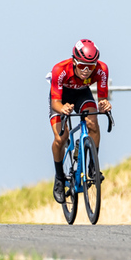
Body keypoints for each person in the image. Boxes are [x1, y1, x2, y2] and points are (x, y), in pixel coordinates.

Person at [48, 39, 112, 204]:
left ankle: (92, 166)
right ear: (74, 61)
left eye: (90, 66)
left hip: (82, 94)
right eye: (82, 65)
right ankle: (60, 178)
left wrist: (104, 104)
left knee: (92, 123)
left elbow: (102, 97)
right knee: (60, 138)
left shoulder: (102, 70)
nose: (86, 70)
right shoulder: (60, 70)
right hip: (61, 98)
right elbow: (55, 103)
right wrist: (62, 109)